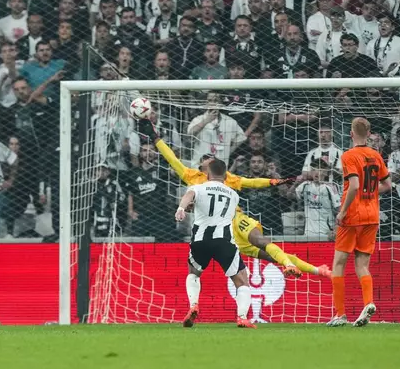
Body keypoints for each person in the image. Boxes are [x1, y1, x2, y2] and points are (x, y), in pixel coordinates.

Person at [138, 119, 331, 278]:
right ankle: (225, 311)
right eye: (207, 163)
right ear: (201, 167)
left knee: (263, 243)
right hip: (218, 234)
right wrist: (155, 138)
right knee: (262, 259)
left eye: (212, 163)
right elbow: (171, 158)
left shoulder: (226, 178)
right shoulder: (190, 176)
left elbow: (251, 182)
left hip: (236, 221)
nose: (210, 166)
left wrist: (275, 181)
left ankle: (311, 269)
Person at [174, 158, 253, 328]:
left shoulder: (198, 187)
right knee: (242, 281)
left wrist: (181, 208)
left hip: (200, 240)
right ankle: (242, 317)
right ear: (225, 175)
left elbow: (190, 196)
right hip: (223, 241)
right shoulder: (233, 194)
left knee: (193, 273)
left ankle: (194, 304)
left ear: (208, 173)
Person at [328, 117, 392, 327]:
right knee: (362, 265)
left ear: (351, 134)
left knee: (339, 263)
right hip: (372, 215)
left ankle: (340, 314)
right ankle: (368, 302)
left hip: (352, 215)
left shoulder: (348, 156)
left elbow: (354, 185)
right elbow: (388, 185)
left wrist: (342, 210)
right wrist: (371, 193)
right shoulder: (375, 155)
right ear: (369, 132)